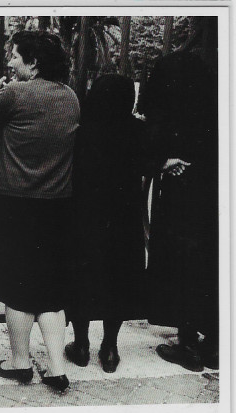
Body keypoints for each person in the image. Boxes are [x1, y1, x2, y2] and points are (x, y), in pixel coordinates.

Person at [0, 31, 79, 391]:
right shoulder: (70, 97)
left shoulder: (16, 93)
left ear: (33, 62)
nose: (9, 61)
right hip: (56, 206)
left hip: (12, 205)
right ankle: (56, 368)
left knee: (17, 286)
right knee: (50, 288)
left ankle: (20, 362)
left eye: (15, 55)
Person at [139, 51, 219, 372]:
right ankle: (214, 343)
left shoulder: (172, 70)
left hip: (181, 180)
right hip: (215, 180)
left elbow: (154, 126)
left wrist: (162, 159)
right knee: (213, 258)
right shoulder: (214, 78)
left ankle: (187, 343)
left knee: (180, 257)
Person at [64, 74, 146, 373]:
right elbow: (152, 160)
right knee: (119, 280)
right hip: (124, 220)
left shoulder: (82, 132)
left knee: (82, 278)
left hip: (86, 217)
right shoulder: (137, 129)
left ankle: (81, 344)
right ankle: (110, 348)